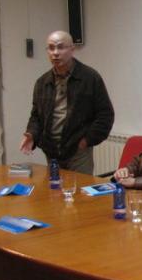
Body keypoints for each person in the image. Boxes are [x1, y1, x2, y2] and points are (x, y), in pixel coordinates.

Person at [20, 31, 114, 174]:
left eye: (60, 47)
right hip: (51, 151)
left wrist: (87, 141)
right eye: (51, 48)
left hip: (78, 152)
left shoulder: (90, 78)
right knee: (55, 187)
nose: (55, 53)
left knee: (81, 188)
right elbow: (36, 116)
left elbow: (105, 114)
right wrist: (31, 134)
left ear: (72, 49)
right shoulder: (42, 82)